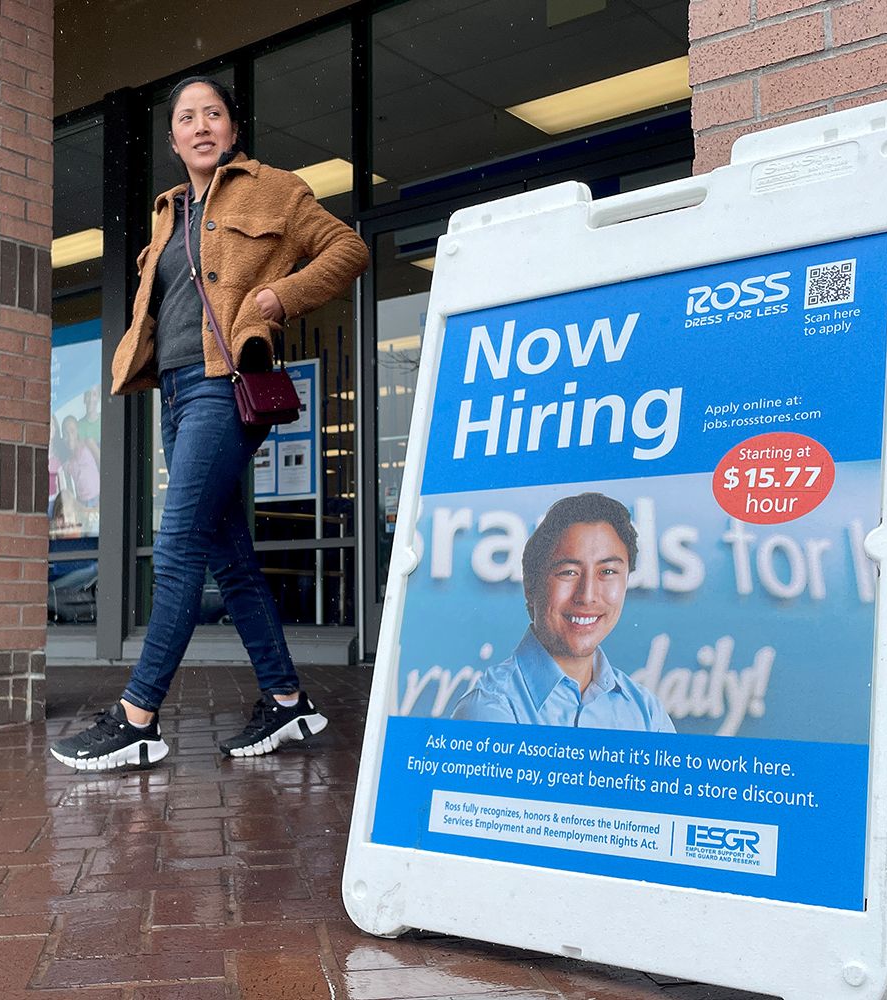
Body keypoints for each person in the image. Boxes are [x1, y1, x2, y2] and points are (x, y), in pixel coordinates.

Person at [51, 76, 369, 771]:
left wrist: (277, 299)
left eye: (213, 115)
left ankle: (137, 716)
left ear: (232, 129)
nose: (201, 126)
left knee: (179, 545)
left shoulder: (273, 191)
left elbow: (348, 250)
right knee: (230, 555)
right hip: (173, 393)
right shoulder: (169, 214)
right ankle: (287, 703)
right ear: (172, 141)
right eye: (187, 119)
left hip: (225, 388)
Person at [448, 493, 674, 732]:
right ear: (530, 586)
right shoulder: (489, 711)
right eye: (568, 572)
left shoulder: (647, 714)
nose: (587, 596)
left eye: (607, 572)